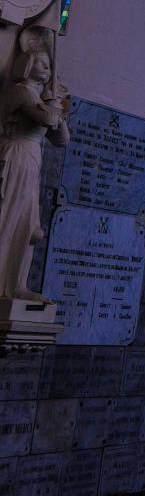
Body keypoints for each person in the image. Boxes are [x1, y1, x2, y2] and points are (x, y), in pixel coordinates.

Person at [0, 28, 67, 302]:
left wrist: (56, 108)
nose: (48, 69)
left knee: (28, 227)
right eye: (42, 63)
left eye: (49, 65)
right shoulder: (20, 92)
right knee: (8, 218)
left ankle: (17, 284)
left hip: (32, 159)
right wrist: (54, 106)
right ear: (27, 64)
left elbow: (61, 139)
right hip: (15, 155)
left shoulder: (39, 99)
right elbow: (47, 120)